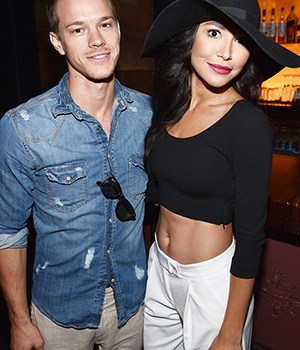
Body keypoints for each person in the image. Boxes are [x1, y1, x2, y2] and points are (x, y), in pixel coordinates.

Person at [141, 0, 300, 349]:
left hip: (210, 281)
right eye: (214, 33)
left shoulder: (246, 123)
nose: (227, 52)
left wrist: (231, 330)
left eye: (241, 41)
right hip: (160, 268)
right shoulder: (172, 108)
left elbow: (252, 234)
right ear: (189, 40)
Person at [0, 0, 152, 349]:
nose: (96, 40)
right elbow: (8, 231)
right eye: (78, 29)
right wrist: (19, 321)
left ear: (118, 29)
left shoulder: (149, 116)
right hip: (59, 317)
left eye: (105, 24)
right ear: (57, 42)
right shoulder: (23, 127)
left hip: (133, 309)